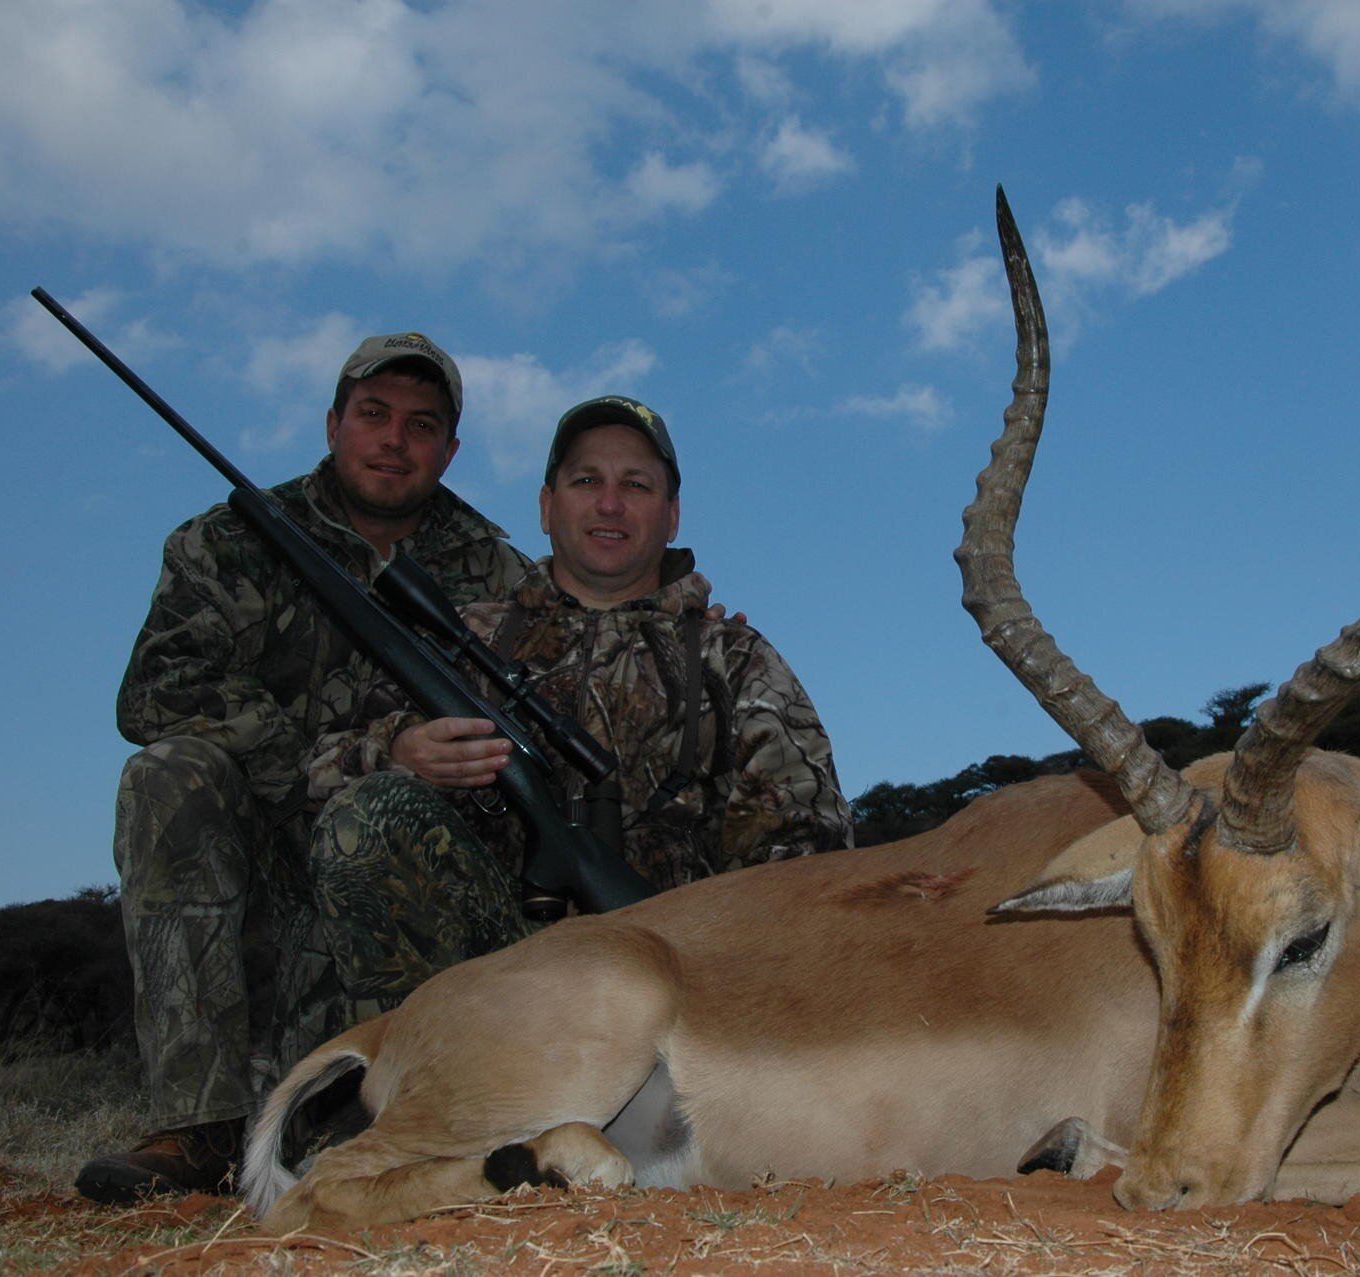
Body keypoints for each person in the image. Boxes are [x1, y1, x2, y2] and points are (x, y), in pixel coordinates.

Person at [77, 333, 531, 1204]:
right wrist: (342, 758)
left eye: (422, 424)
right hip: (259, 839)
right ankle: (198, 1124)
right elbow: (155, 695)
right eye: (374, 415)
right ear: (333, 424)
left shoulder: (500, 572)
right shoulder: (227, 540)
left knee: (392, 826)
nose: (394, 439)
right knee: (166, 777)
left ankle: (419, 1105)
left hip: (387, 857)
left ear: (451, 450)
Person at [301, 395, 854, 1006]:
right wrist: (399, 750)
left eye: (636, 485)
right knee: (369, 813)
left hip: (671, 989)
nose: (609, 503)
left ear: (671, 517)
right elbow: (323, 766)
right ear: (546, 506)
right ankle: (416, 1075)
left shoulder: (736, 656)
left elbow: (810, 845)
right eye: (586, 479)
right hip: (480, 987)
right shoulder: (460, 640)